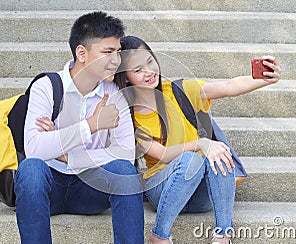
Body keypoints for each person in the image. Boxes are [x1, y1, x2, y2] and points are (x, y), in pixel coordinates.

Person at [114, 36, 282, 244]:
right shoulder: (128, 115)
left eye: (150, 61)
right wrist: (201, 143)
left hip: (200, 195)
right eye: (138, 70)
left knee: (219, 152)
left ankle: (222, 235)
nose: (149, 72)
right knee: (190, 159)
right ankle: (160, 235)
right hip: (162, 189)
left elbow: (228, 86)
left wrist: (262, 79)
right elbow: (162, 154)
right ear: (126, 77)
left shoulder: (180, 90)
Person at [15, 12, 144, 244]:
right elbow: (34, 149)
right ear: (81, 53)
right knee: (31, 168)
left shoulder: (115, 94)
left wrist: (65, 152)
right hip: (48, 185)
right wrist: (92, 125)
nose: (116, 60)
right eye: (107, 52)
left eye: (118, 52)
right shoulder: (47, 87)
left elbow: (126, 154)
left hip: (90, 189)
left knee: (125, 173)